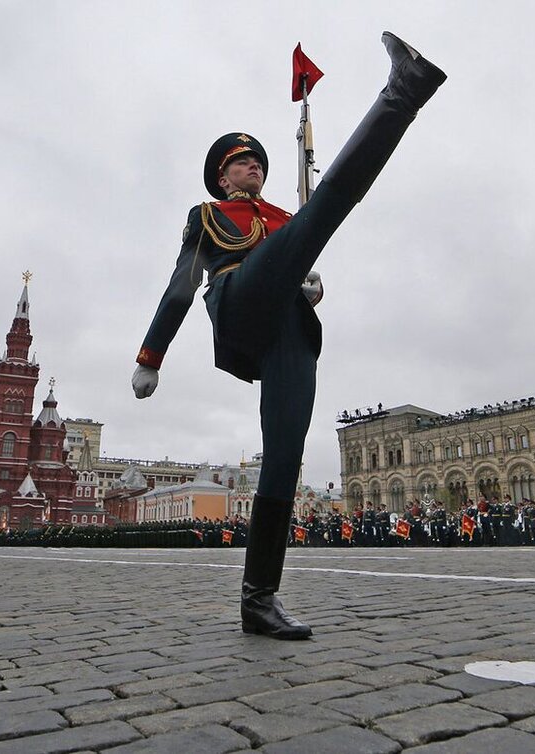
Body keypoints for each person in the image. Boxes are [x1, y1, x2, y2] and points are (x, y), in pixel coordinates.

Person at [130, 32, 445, 639]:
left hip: (290, 329)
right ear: (222, 177)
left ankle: (260, 600)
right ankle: (404, 91)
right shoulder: (208, 217)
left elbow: (298, 258)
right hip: (239, 302)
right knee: (326, 208)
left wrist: (305, 281)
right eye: (243, 163)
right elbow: (180, 284)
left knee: (286, 456)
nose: (255, 168)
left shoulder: (280, 218)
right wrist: (152, 355)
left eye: (259, 163)